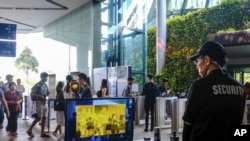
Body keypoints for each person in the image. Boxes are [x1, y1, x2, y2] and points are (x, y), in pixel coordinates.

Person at [182, 41, 245, 141]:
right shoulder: (239, 87)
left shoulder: (199, 86)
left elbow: (188, 123)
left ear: (207, 60)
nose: (197, 66)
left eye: (197, 61)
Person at [27, 72, 50, 137]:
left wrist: (47, 93)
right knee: (39, 118)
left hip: (45, 102)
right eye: (46, 77)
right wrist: (39, 96)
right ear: (42, 77)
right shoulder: (37, 85)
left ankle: (42, 133)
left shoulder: (45, 85)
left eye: (47, 77)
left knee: (44, 118)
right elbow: (31, 94)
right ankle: (29, 130)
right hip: (39, 103)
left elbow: (47, 92)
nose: (47, 78)